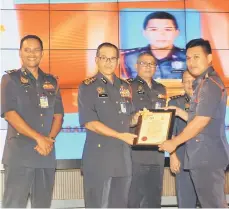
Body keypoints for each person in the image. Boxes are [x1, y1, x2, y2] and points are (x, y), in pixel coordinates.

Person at [158, 38, 229, 208]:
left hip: (207, 156)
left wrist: (174, 142)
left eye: (196, 57)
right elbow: (198, 116)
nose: (191, 62)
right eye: (188, 58)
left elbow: (201, 121)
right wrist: (177, 111)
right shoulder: (203, 83)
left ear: (209, 58)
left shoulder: (209, 84)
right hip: (203, 155)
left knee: (213, 205)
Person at [1, 35, 64, 208]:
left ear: (42, 53)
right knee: (14, 205)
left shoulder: (52, 81)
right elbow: (9, 114)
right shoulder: (10, 79)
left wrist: (49, 139)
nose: (32, 54)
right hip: (19, 154)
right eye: (27, 50)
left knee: (42, 205)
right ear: (20, 53)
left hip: (45, 153)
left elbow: (58, 115)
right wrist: (39, 138)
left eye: (36, 50)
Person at [78, 42, 139, 208]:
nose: (108, 62)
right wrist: (120, 135)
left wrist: (139, 118)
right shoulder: (87, 87)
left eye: (112, 58)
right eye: (104, 58)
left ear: (118, 61)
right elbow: (90, 123)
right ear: (96, 60)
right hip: (99, 159)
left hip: (123, 159)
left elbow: (128, 119)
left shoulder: (125, 86)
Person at [127, 52, 166, 208]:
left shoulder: (161, 88)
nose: (148, 67)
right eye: (144, 63)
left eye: (152, 64)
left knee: (154, 196)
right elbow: (124, 117)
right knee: (134, 195)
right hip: (137, 150)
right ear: (136, 66)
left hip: (157, 150)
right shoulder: (127, 86)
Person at [121, 11, 186, 79]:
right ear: (144, 33)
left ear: (176, 33)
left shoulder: (187, 57)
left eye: (167, 29)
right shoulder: (128, 58)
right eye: (154, 29)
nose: (161, 34)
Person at [169, 70, 197, 208]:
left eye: (192, 80)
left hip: (205, 157)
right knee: (186, 201)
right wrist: (173, 156)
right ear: (182, 83)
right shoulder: (175, 102)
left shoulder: (208, 101)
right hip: (183, 156)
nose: (189, 84)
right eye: (186, 81)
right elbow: (170, 132)